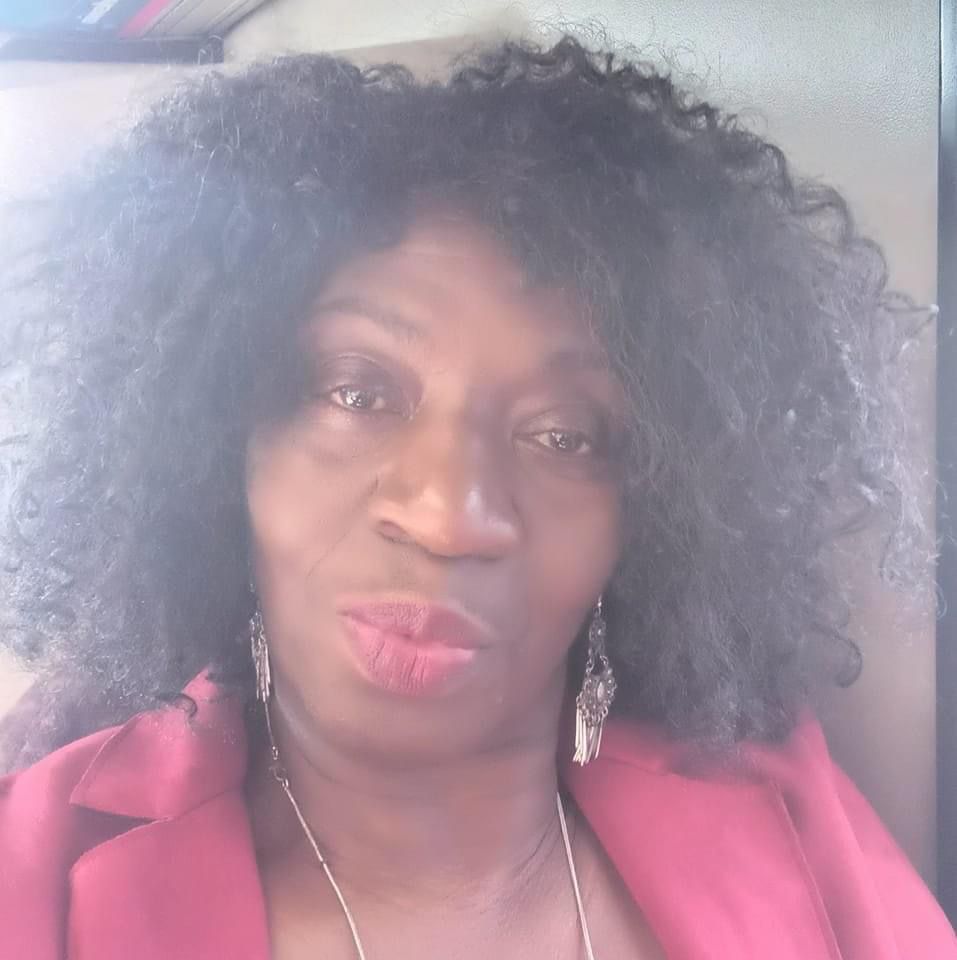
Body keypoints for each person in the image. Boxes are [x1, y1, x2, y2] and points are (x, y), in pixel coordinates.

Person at [0, 34, 953, 959]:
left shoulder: (786, 807)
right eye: (357, 393)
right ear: (214, 438)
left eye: (564, 435)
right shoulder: (33, 877)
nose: (449, 516)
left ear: (656, 513)